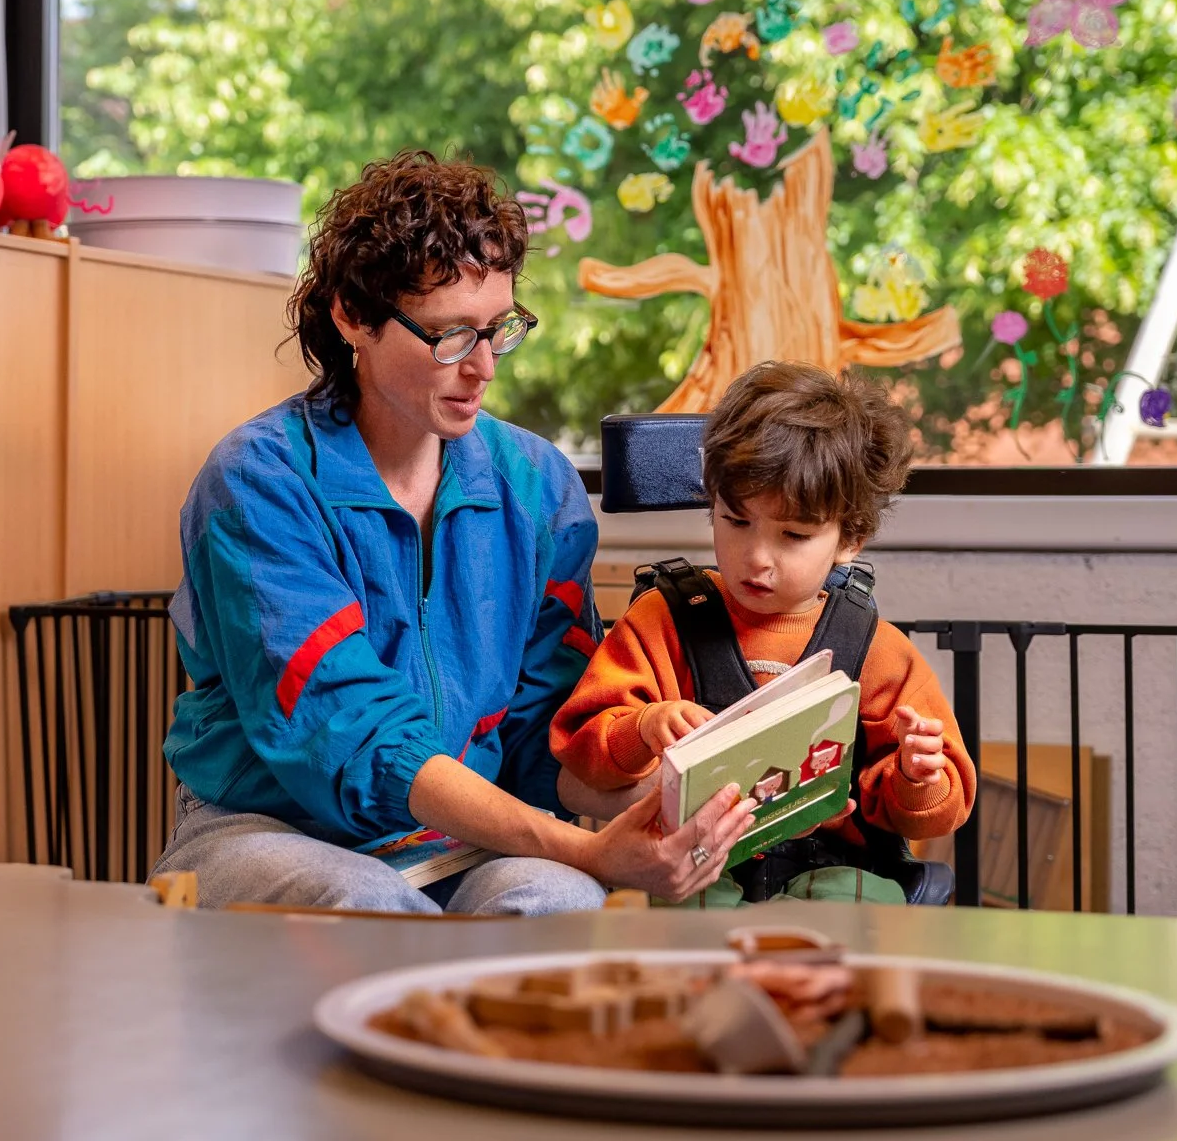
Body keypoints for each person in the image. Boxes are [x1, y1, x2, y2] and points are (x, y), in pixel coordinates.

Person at [153, 151, 758, 914]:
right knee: (366, 903)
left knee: (553, 903)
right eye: (448, 336)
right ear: (352, 316)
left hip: (468, 842)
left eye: (497, 330)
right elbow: (353, 738)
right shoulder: (258, 483)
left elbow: (551, 733)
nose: (484, 369)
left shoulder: (537, 489)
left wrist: (659, 785)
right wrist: (588, 849)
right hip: (268, 828)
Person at [550, 361, 975, 904]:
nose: (757, 558)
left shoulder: (879, 652)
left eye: (794, 534)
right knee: (684, 922)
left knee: (861, 919)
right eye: (735, 521)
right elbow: (580, 752)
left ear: (852, 538)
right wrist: (644, 725)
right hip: (692, 863)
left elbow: (934, 812)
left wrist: (918, 776)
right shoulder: (663, 622)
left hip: (838, 868)